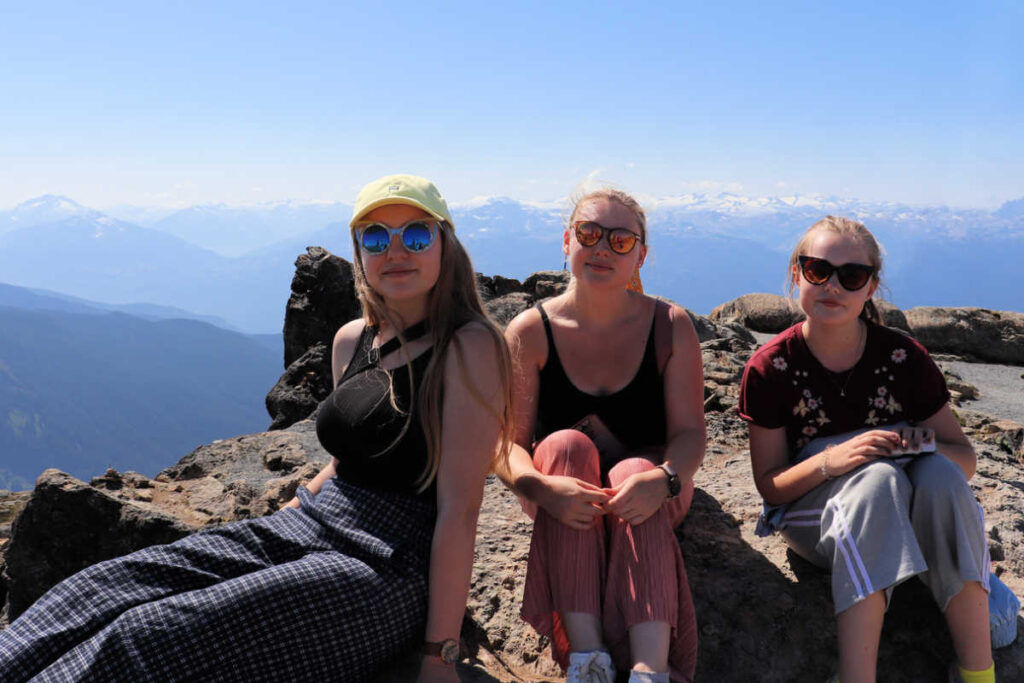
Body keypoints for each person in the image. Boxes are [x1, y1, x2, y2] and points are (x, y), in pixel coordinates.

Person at [0, 174, 513, 683]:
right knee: (99, 587)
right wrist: (290, 511)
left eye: (417, 234)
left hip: (385, 566)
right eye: (375, 236)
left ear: (445, 243)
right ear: (359, 252)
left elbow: (459, 510)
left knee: (149, 633)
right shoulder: (353, 339)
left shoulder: (468, 348)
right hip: (308, 526)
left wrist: (438, 658)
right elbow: (348, 460)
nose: (395, 249)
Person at [739, 216, 993, 683]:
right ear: (796, 274)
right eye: (818, 270)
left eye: (851, 276)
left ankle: (980, 674)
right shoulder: (770, 367)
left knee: (938, 475)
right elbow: (772, 488)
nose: (833, 285)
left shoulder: (903, 358)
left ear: (871, 287)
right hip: (815, 518)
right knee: (878, 481)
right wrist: (831, 460)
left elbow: (964, 460)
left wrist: (918, 447)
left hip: (910, 514)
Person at [500, 188, 706, 683]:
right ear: (567, 240)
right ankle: (587, 661)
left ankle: (649, 671)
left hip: (658, 491)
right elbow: (508, 445)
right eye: (590, 234)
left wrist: (666, 478)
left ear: (641, 254)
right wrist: (539, 487)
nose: (602, 249)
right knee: (563, 447)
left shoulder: (670, 326)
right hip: (560, 491)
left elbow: (690, 435)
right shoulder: (530, 331)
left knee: (637, 470)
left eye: (620, 240)